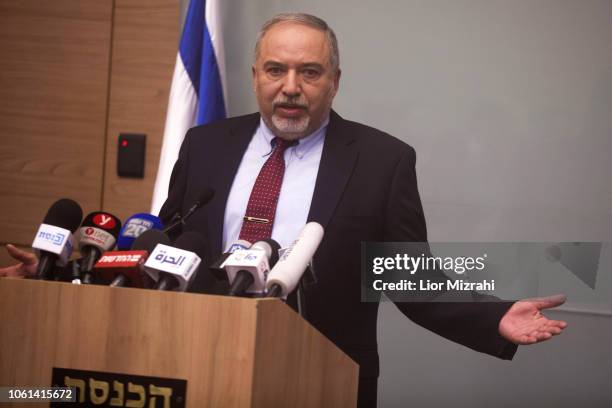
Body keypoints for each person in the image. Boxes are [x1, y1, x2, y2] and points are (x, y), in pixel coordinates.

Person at [1, 13, 567, 407]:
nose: (290, 88)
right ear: (255, 76)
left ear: (335, 82)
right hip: (192, 366)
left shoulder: (381, 159)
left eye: (309, 72)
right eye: (275, 70)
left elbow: (406, 275)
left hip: (319, 381)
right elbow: (161, 248)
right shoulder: (206, 145)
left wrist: (494, 315)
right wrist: (58, 273)